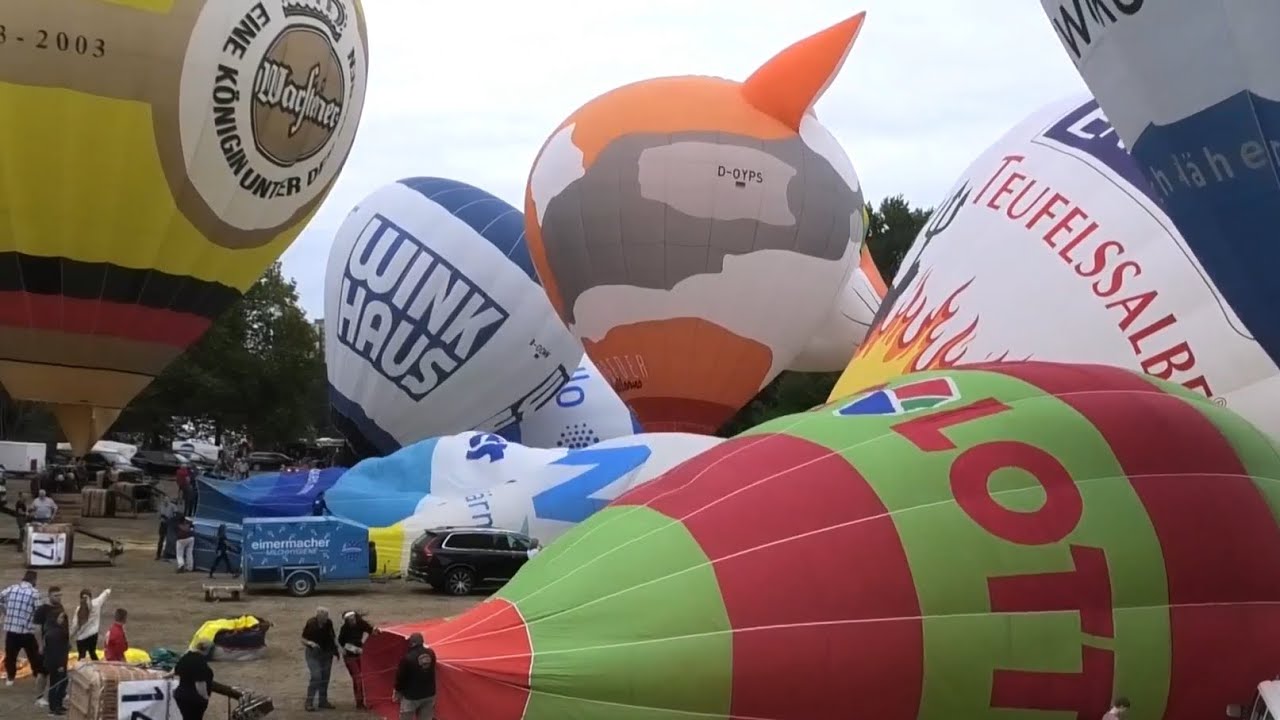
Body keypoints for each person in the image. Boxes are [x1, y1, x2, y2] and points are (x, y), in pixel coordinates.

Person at [0, 570, 41, 687]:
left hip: (11, 630)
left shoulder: (12, 588)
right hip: (26, 631)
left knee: (11, 656)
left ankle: (10, 678)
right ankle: (37, 674)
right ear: (34, 580)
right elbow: (39, 611)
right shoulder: (34, 593)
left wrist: (6, 610)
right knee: (34, 655)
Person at [31, 585, 65, 707]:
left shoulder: (60, 607)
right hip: (46, 646)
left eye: (60, 595)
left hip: (58, 647)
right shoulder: (42, 610)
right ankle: (39, 697)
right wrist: (40, 645)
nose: (59, 598)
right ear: (49, 596)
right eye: (56, 596)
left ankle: (58, 695)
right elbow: (37, 628)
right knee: (43, 672)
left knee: (58, 672)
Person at [301, 607, 338, 711]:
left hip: (327, 653)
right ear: (318, 616)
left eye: (326, 616)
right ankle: (309, 702)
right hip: (313, 654)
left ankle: (323, 701)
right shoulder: (311, 624)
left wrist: (337, 648)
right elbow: (303, 639)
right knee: (316, 676)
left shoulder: (329, 623)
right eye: (323, 616)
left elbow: (333, 636)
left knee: (325, 678)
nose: (325, 618)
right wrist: (310, 643)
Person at [393, 633, 437, 720]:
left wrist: (397, 691)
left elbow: (400, 678)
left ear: (412, 643)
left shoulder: (407, 658)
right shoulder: (431, 653)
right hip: (429, 694)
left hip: (411, 696)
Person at [337, 611, 376, 709]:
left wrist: (376, 631)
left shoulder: (361, 623)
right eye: (350, 620)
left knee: (360, 678)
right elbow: (342, 643)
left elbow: (371, 630)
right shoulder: (344, 629)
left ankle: (361, 701)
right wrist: (355, 649)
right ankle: (360, 702)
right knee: (358, 678)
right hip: (350, 656)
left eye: (353, 619)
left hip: (359, 655)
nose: (352, 621)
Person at [173, 640, 214, 720]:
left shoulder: (186, 656)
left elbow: (175, 670)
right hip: (194, 699)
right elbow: (199, 683)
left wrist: (164, 676)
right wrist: (205, 697)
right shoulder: (200, 662)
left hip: (180, 695)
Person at [70, 587, 112, 660]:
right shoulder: (96, 603)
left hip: (81, 637)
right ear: (91, 597)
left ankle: (81, 669)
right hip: (93, 634)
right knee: (92, 653)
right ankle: (98, 668)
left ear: (80, 598)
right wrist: (108, 590)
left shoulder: (78, 610)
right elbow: (104, 595)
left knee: (81, 655)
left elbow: (75, 625)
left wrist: (70, 637)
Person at [43, 611, 70, 715]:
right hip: (57, 664)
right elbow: (56, 651)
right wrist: (60, 665)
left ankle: (58, 705)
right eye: (61, 618)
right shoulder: (57, 633)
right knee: (55, 685)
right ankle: (53, 708)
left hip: (57, 662)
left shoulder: (54, 631)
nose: (63, 621)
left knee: (62, 683)